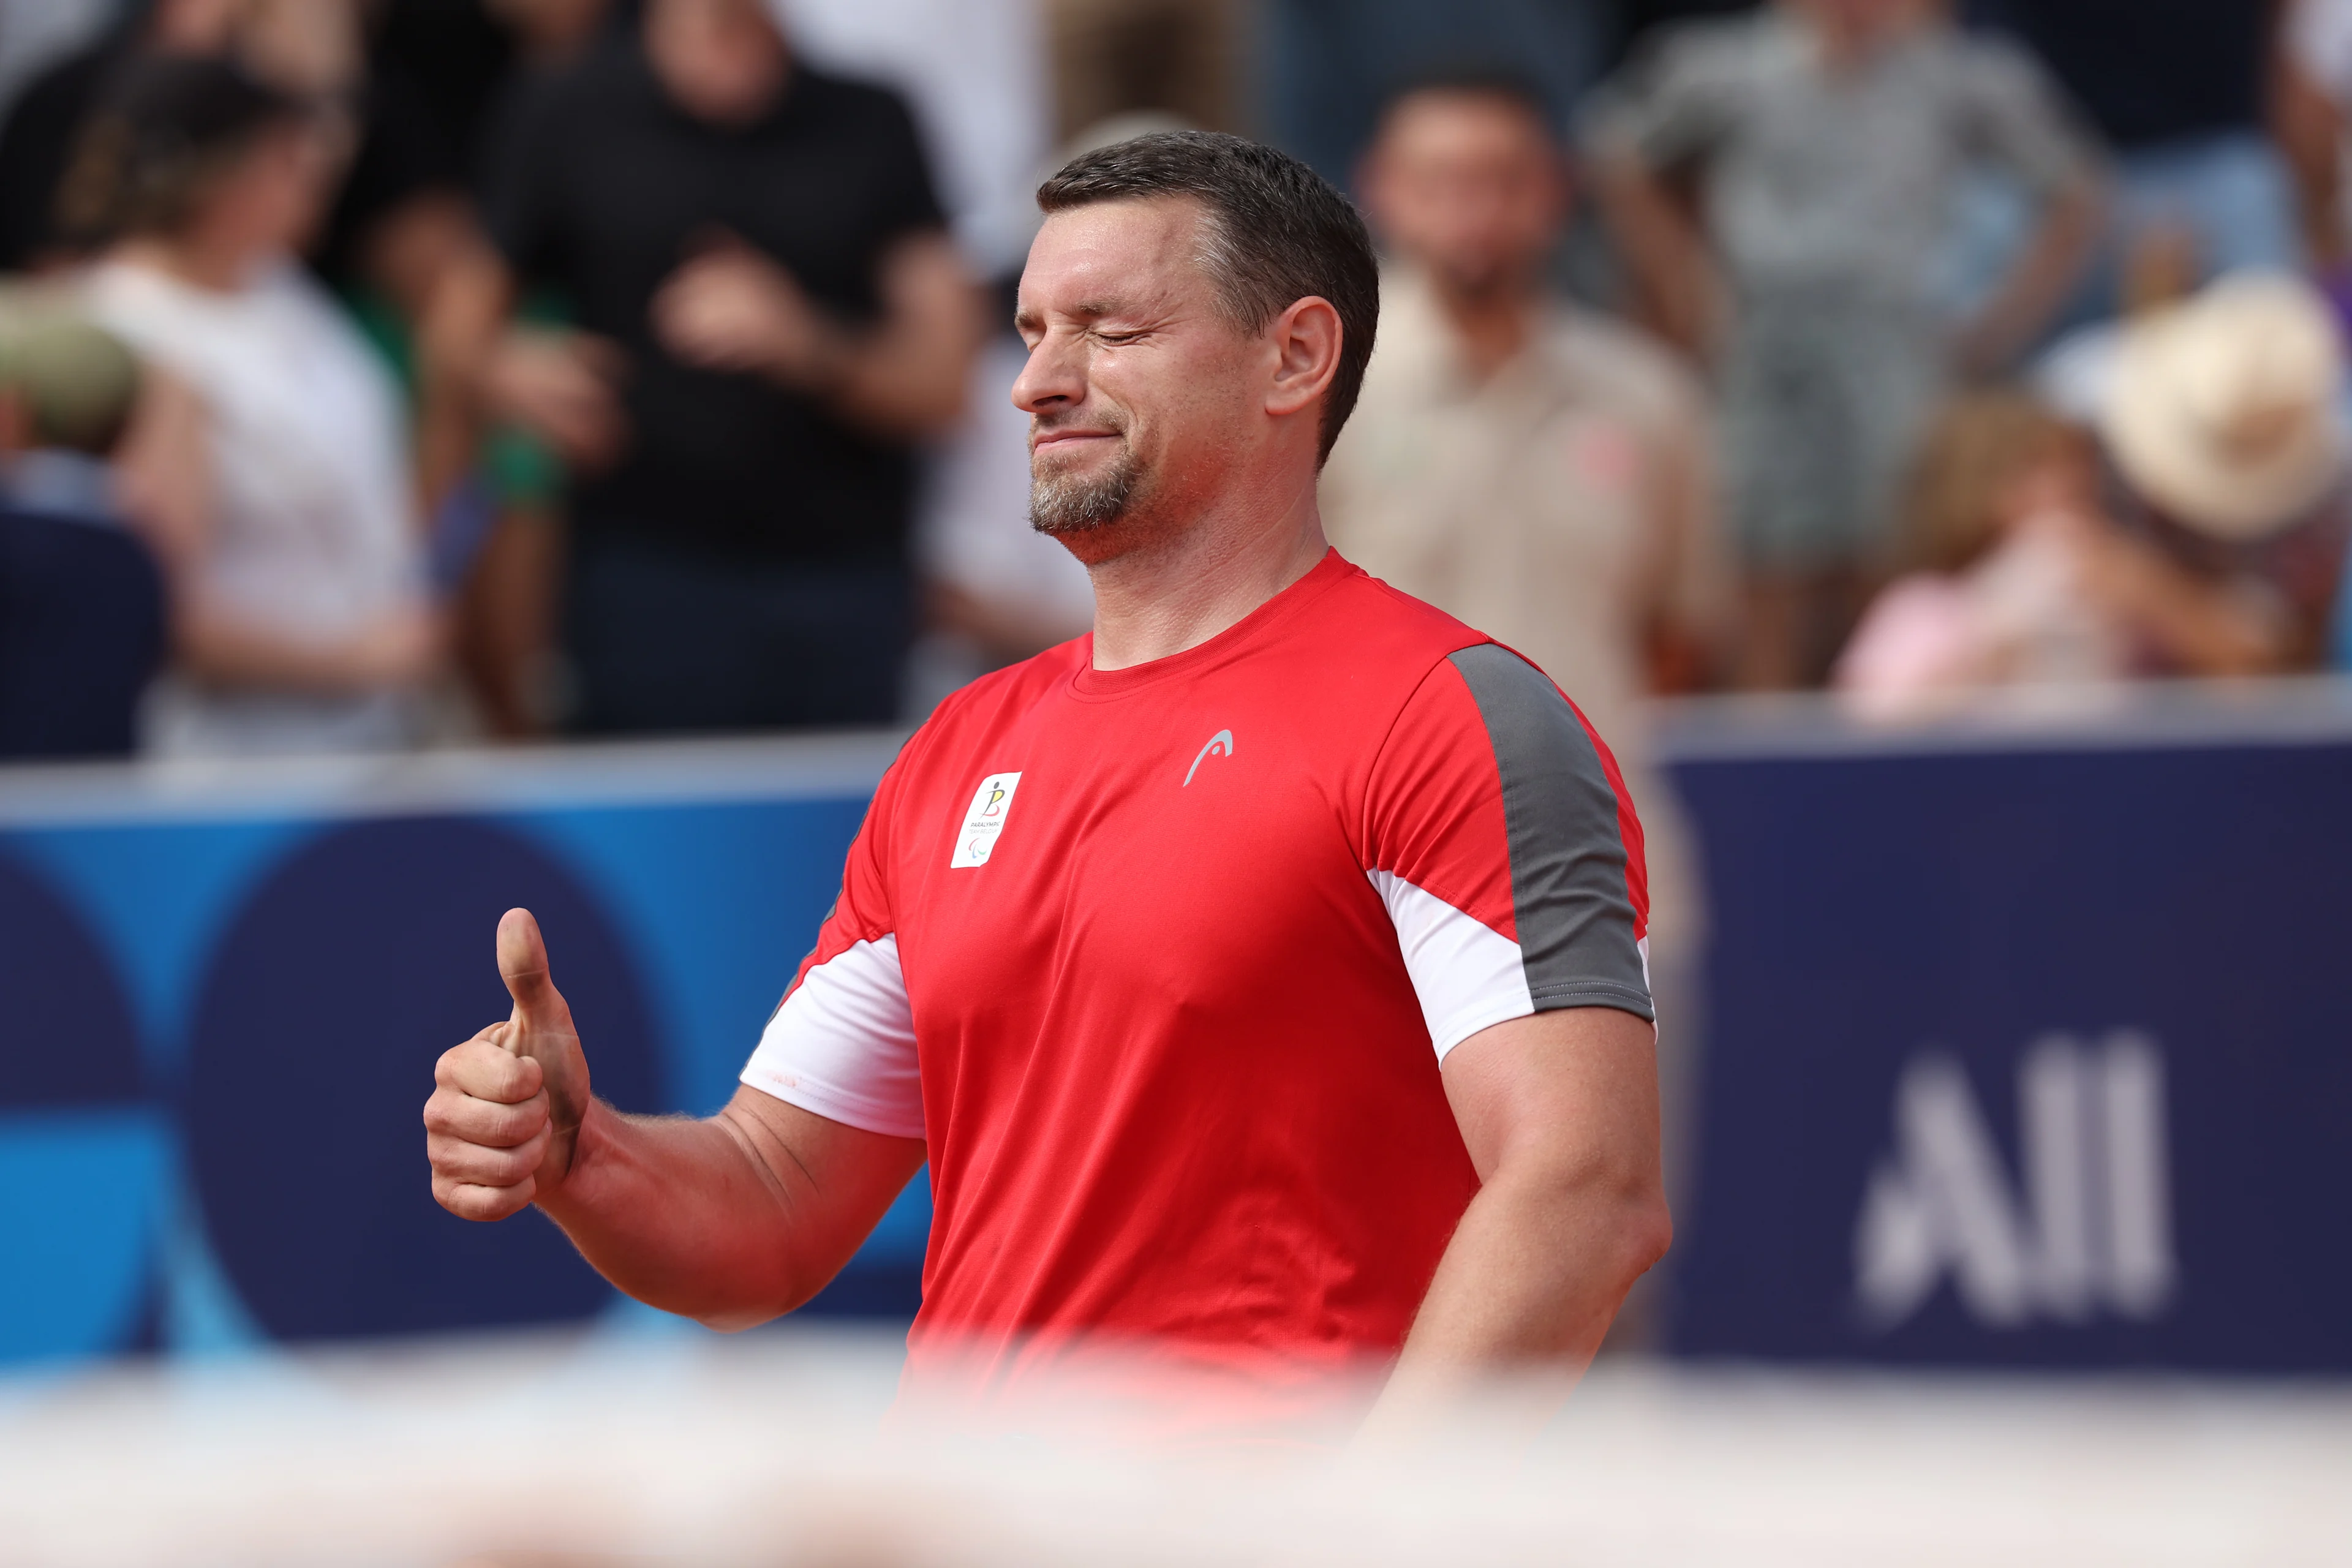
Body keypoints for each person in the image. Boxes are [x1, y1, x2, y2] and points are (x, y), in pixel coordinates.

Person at [424, 131, 1670, 1439]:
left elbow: (1583, 1189)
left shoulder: (1452, 715)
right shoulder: (959, 748)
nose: (1034, 382)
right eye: (1027, 329)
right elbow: (771, 1201)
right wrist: (580, 1153)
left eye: (1109, 329)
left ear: (1296, 356)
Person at [1321, 70, 1724, 1254]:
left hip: (1614, 883)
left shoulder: (1650, 400)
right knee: (1374, 1271)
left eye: (1503, 181)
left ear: (1555, 197)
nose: (1474, 212)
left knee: (1603, 1263)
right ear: (1382, 196)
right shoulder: (1311, 394)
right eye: (1441, 182)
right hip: (1363, 899)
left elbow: (1678, 635)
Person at [429, 0, 982, 735]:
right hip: (642, 572)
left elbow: (943, 380)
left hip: (845, 573)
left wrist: (804, 341)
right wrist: (514, 370)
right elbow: (456, 335)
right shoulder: (570, 106)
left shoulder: (870, 116)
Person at [1583, 0, 2102, 688]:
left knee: (1893, 557)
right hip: (1765, 336)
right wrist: (1683, 285)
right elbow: (1616, 151)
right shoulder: (1726, 64)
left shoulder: (1954, 75)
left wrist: (1999, 322)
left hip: (1891, 335)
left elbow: (2074, 186)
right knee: (1762, 565)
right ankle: (1762, 757)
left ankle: (1883, 734)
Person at [75, 58, 442, 755]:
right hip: (234, 773)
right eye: (287, 157)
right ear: (216, 175)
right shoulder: (124, 334)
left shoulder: (281, 287)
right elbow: (149, 609)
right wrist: (351, 661)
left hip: (366, 741)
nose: (314, 173)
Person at [1835, 391, 2282, 717]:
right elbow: (1872, 732)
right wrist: (1997, 627)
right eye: (2037, 477)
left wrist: (2157, 596)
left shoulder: (2127, 587)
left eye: (2078, 475)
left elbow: (2254, 681)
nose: (2069, 493)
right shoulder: (1923, 606)